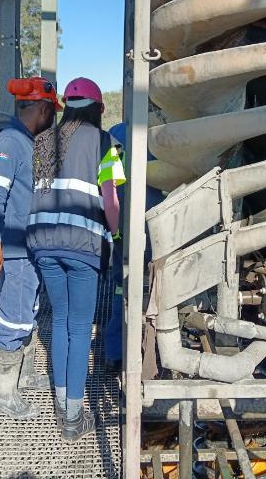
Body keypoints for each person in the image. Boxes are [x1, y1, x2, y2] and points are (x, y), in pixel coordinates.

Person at [27, 77, 126, 441]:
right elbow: (110, 200)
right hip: (83, 244)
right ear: (99, 109)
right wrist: (115, 234)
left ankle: (61, 403)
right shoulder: (106, 143)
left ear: (66, 107)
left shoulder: (42, 141)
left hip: (44, 244)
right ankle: (72, 417)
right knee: (81, 327)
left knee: (61, 321)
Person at [0, 78, 61, 420]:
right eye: (52, 112)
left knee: (27, 309)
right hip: (13, 249)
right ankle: (4, 393)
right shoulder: (9, 144)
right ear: (43, 109)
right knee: (13, 316)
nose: (54, 118)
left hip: (29, 246)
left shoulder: (28, 142)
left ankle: (22, 376)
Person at [103, 122, 164, 372]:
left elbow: (107, 181)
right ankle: (155, 349)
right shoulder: (167, 132)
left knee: (123, 284)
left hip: (123, 224)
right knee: (159, 285)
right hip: (159, 224)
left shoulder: (116, 134)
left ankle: (116, 351)